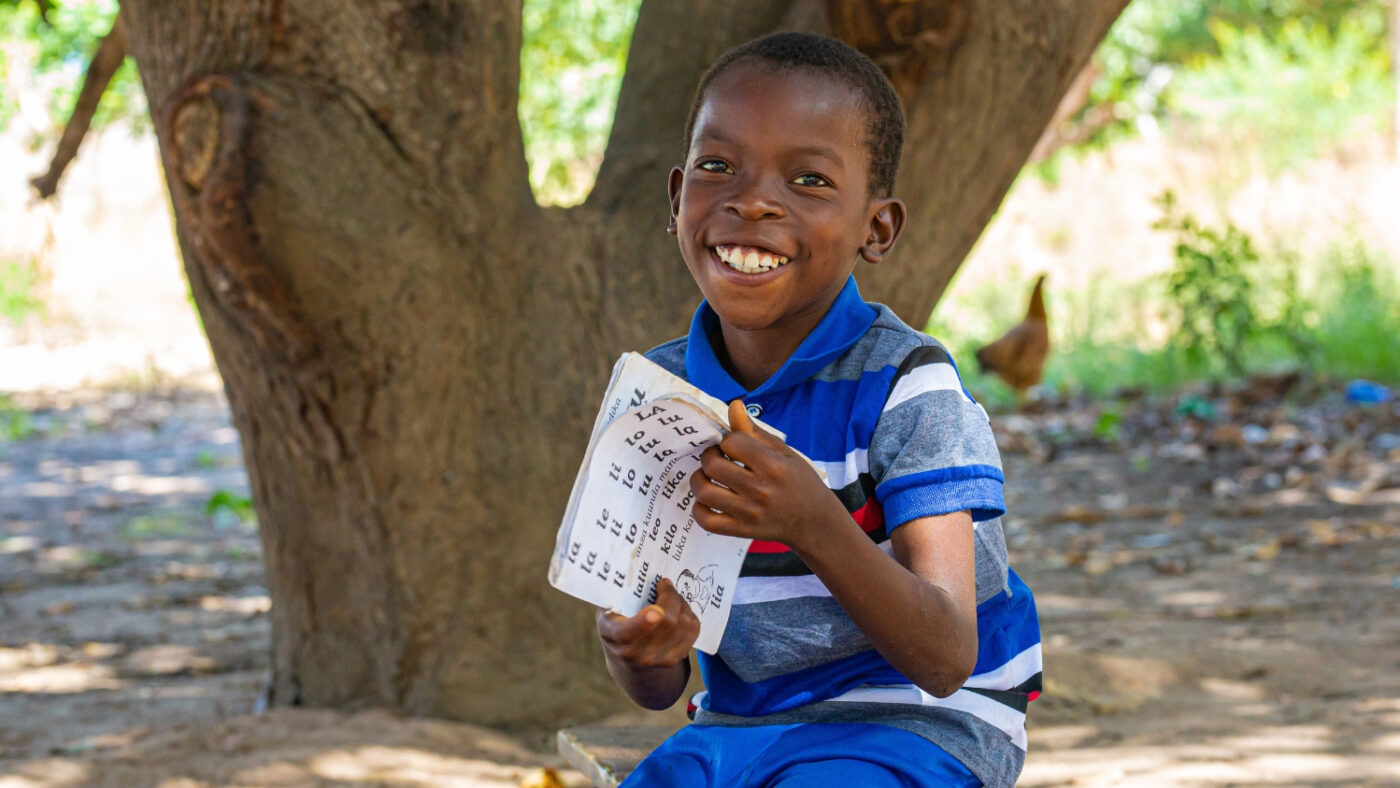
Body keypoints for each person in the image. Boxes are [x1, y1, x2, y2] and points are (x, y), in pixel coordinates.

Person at [595, 32, 1041, 788]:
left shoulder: (909, 389)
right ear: (677, 201)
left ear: (877, 228)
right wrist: (637, 646)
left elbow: (945, 655)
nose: (753, 199)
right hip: (739, 724)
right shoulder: (659, 398)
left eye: (807, 179)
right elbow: (658, 686)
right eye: (717, 166)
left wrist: (812, 521)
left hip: (917, 723)